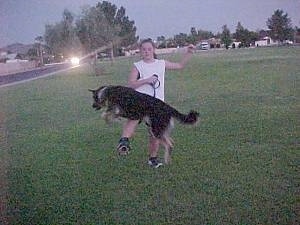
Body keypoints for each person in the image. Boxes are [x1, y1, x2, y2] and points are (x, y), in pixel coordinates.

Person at [118, 38, 195, 168]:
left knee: (154, 134)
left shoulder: (161, 63)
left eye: (149, 49)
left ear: (153, 50)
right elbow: (131, 84)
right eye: (144, 49)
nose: (146, 52)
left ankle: (153, 159)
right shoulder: (138, 65)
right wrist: (147, 80)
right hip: (140, 101)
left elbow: (180, 65)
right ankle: (124, 142)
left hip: (157, 104)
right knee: (133, 118)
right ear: (140, 51)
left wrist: (189, 53)